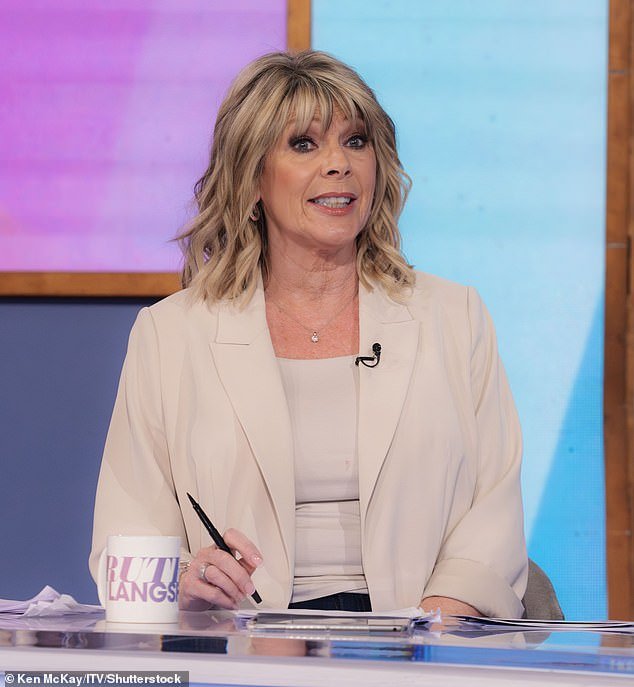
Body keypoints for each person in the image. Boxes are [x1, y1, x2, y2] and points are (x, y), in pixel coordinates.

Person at [90, 50, 528, 617]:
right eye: (304, 144)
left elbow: (495, 508)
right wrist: (184, 581)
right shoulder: (171, 335)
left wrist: (434, 629)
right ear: (252, 178)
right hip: (242, 643)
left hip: (421, 637)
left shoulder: (454, 317)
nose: (339, 164)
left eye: (356, 141)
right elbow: (124, 543)